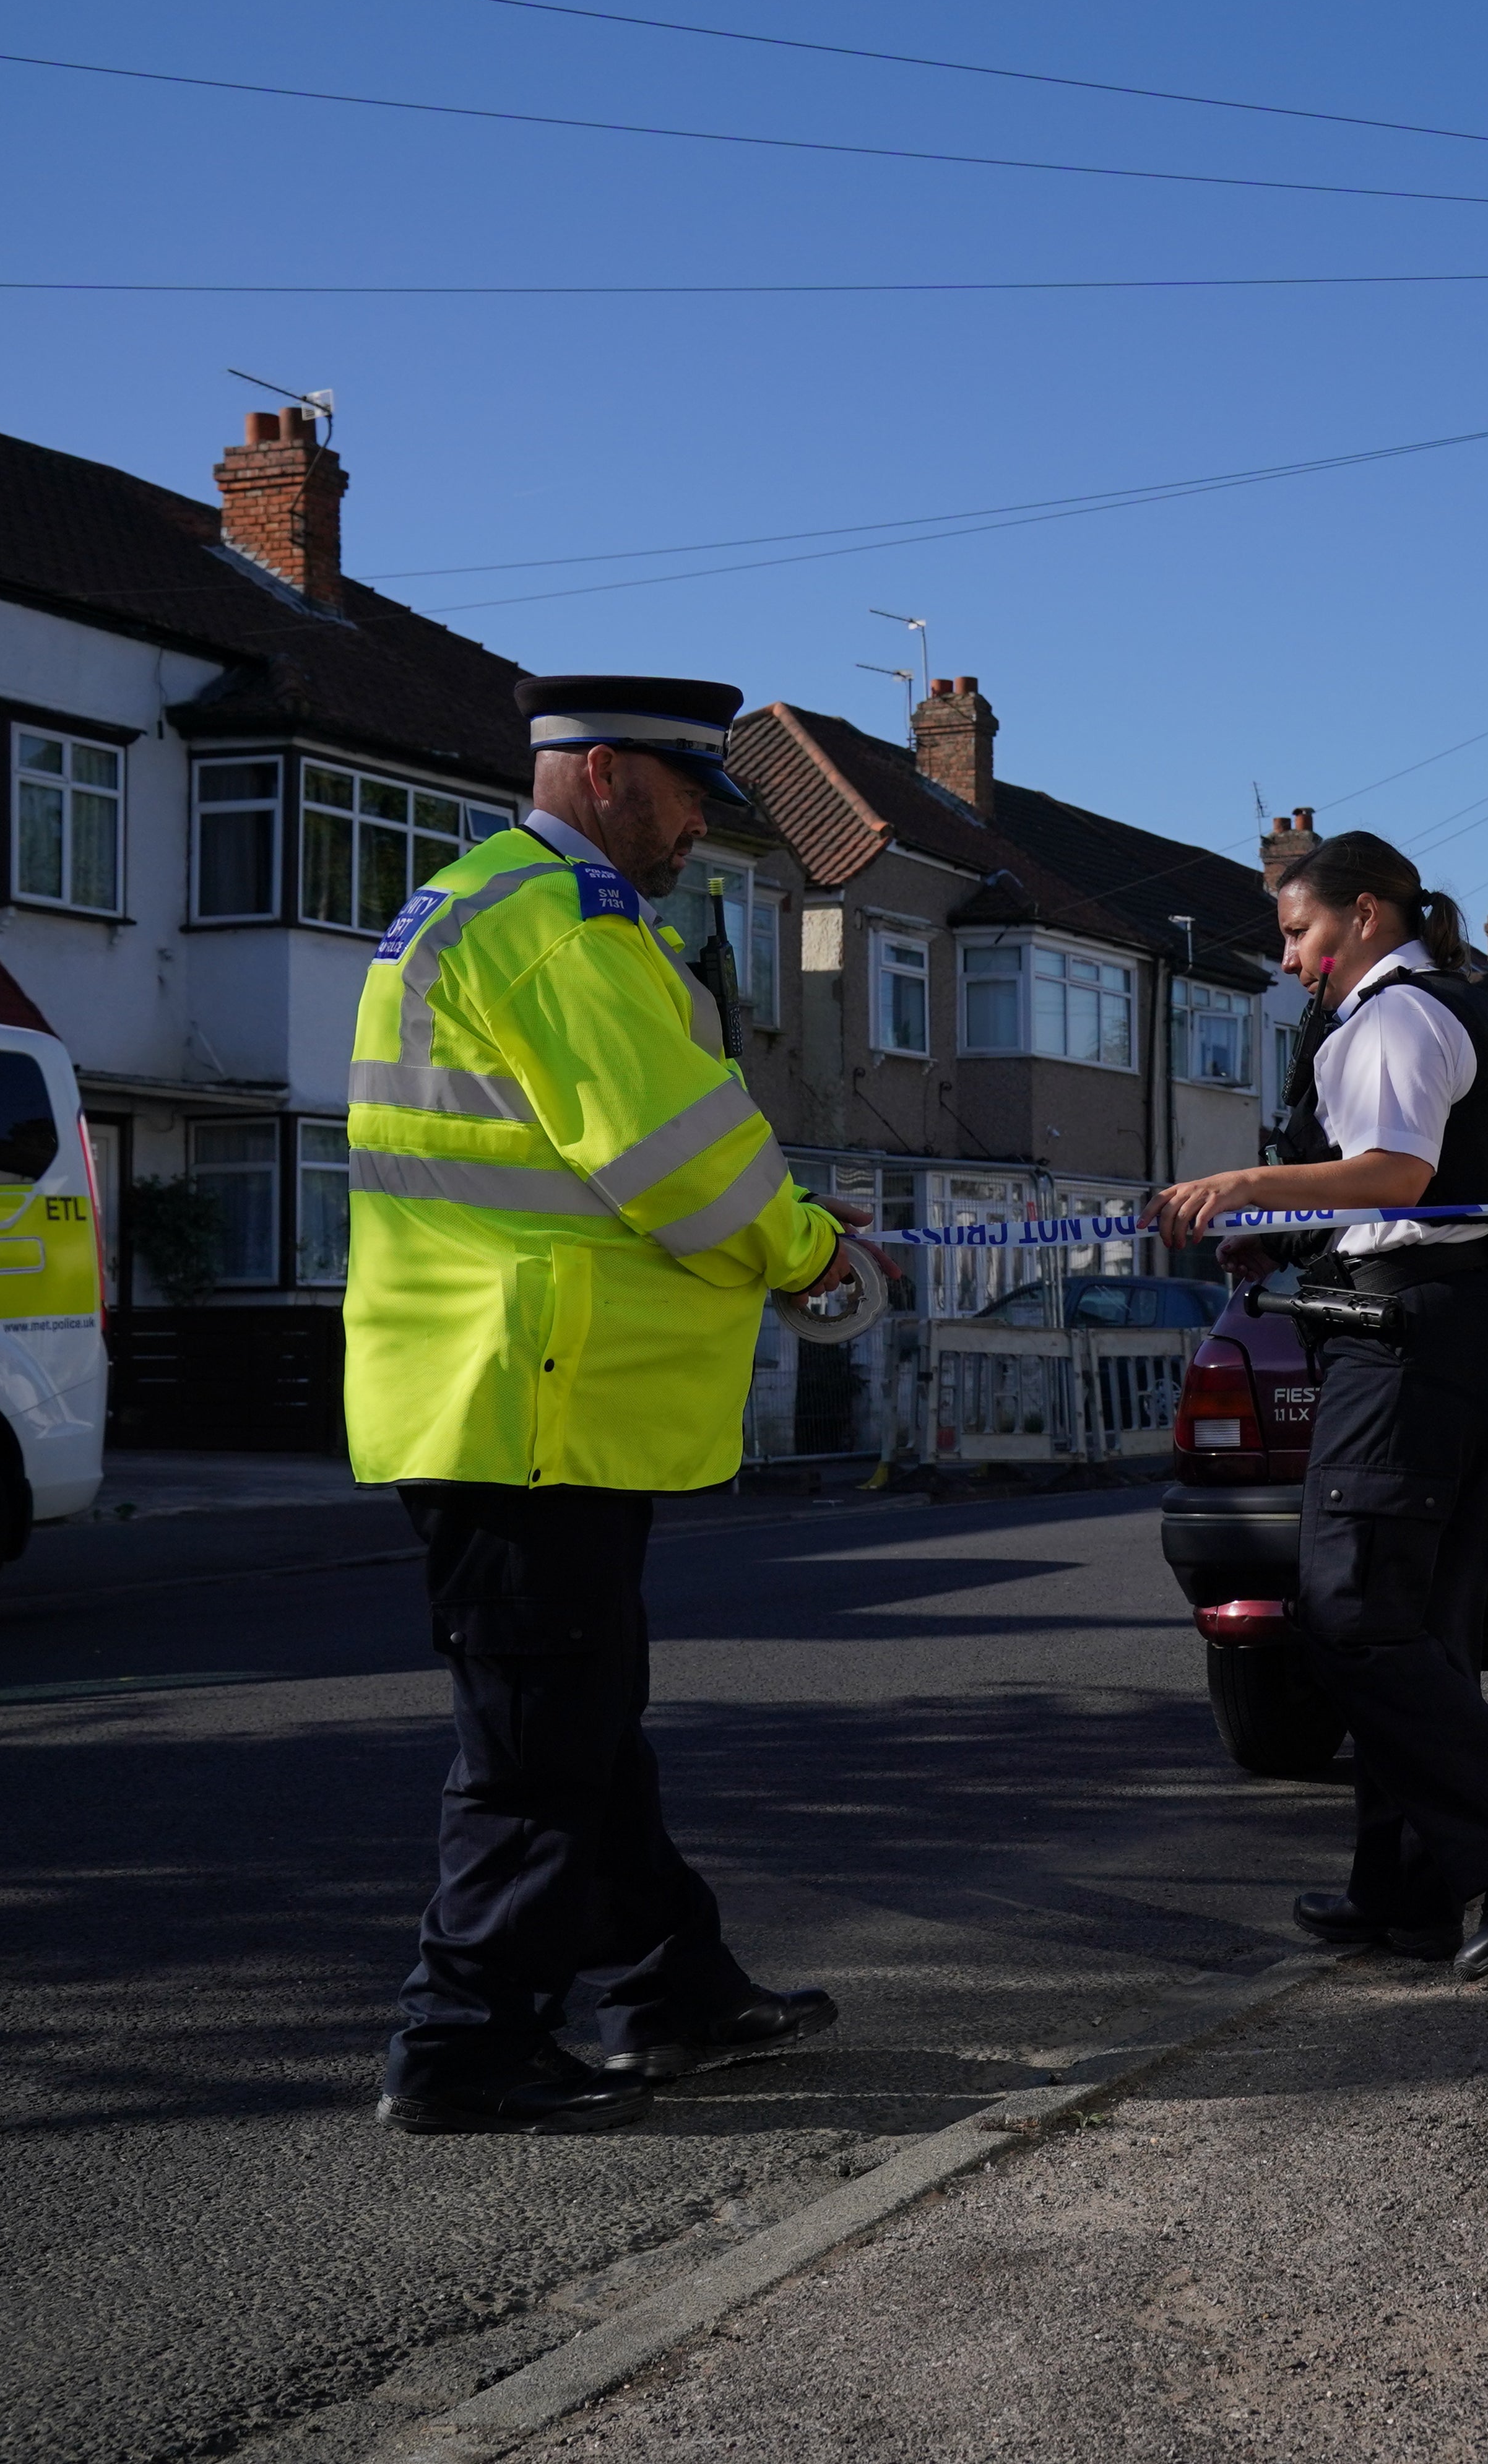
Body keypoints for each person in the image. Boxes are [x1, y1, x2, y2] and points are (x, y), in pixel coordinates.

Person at [350, 674, 862, 2135]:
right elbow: (682, 1156)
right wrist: (816, 1255)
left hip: (497, 1385)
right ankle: (460, 2044)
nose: (702, 821)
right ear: (597, 773)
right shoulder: (560, 927)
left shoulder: (478, 901)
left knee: (582, 1718)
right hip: (533, 1397)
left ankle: (671, 1986)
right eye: (688, 790)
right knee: (537, 1745)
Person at [1142, 831, 1488, 1982]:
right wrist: (1283, 1226)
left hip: (1415, 1343)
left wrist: (1245, 1182)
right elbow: (1390, 1189)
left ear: (1368, 915)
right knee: (1417, 1620)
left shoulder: (1395, 1015)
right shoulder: (1443, 1005)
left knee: (1347, 1616)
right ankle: (1409, 1888)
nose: (1290, 959)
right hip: (1459, 1330)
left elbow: (1396, 1176)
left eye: (1300, 932)